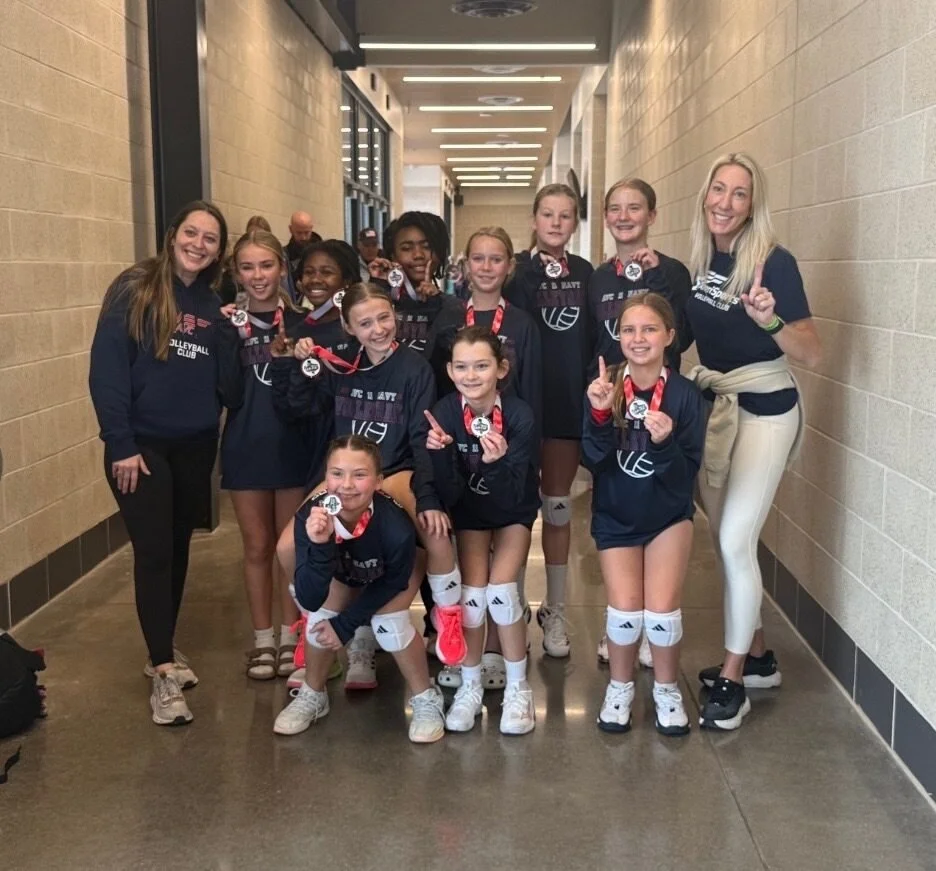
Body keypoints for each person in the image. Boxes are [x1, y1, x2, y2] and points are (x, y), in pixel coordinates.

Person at [684, 152, 822, 730]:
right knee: (725, 539)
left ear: (753, 204)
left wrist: (769, 320)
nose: (726, 202)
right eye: (719, 189)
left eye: (740, 194)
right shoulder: (704, 258)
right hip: (720, 406)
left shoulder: (772, 262)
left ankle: (735, 681)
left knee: (738, 538)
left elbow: (812, 352)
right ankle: (760, 657)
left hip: (765, 409)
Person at [273, 283, 466, 678]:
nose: (378, 329)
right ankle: (311, 618)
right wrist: (299, 366)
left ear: (395, 315)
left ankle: (448, 616)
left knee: (436, 529)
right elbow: (301, 408)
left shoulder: (414, 368)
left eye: (384, 317)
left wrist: (426, 497)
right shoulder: (339, 362)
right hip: (346, 476)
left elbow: (419, 436)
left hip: (394, 471)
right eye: (365, 323)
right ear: (348, 327)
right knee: (286, 546)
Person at [89, 200, 232, 727]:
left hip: (194, 446)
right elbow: (106, 371)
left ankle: (162, 648)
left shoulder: (214, 304)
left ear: (220, 250)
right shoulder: (136, 288)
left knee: (176, 549)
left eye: (210, 238)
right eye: (191, 233)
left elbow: (223, 382)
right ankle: (164, 670)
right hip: (140, 448)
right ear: (173, 236)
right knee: (152, 553)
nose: (199, 243)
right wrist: (120, 442)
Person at [583, 293, 704, 735]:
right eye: (629, 329)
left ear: (670, 337)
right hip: (616, 514)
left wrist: (665, 443)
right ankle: (620, 688)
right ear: (618, 336)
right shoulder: (605, 386)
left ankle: (667, 690)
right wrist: (598, 414)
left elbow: (686, 473)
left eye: (649, 329)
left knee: (661, 613)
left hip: (667, 514)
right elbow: (592, 459)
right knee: (625, 612)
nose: (638, 338)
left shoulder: (685, 396)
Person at [273, 436, 446, 743]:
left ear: (378, 482)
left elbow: (393, 581)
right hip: (344, 567)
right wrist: (320, 545)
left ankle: (425, 698)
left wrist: (347, 624)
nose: (347, 485)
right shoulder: (310, 517)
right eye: (337, 473)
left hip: (391, 574)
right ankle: (314, 694)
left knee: (389, 625)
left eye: (360, 475)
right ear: (325, 477)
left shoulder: (395, 526)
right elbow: (311, 598)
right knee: (319, 618)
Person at [588, 178, 692, 669]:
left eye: (635, 207)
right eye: (615, 208)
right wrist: (598, 403)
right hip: (615, 396)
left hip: (658, 401)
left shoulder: (671, 270)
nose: (624, 215)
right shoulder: (598, 277)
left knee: (663, 492)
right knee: (618, 488)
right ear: (606, 217)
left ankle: (655, 627)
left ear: (652, 214)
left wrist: (663, 281)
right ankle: (627, 626)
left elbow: (684, 334)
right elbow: (591, 341)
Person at [432, 226, 542, 691]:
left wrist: (518, 453)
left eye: (496, 258)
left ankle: (501, 647)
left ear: (509, 266)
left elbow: (532, 388)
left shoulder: (521, 322)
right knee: (473, 579)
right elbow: (442, 393)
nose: (486, 266)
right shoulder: (446, 318)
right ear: (465, 265)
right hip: (463, 452)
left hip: (508, 441)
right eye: (477, 258)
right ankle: (465, 653)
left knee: (503, 580)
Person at [425, 327, 540, 735]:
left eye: (481, 365)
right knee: (472, 598)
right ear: (450, 371)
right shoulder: (444, 413)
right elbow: (452, 492)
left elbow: (515, 492)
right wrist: (441, 456)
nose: (471, 375)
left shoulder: (520, 415)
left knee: (503, 593)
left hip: (513, 513)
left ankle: (518, 689)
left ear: (501, 369)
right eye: (461, 366)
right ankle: (470, 686)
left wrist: (496, 461)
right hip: (471, 514)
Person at [504, 183, 594, 658]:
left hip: (565, 405)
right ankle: (515, 601)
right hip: (520, 406)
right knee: (518, 509)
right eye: (548, 214)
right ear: (534, 219)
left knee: (557, 507)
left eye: (566, 215)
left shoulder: (586, 274)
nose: (556, 223)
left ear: (575, 222)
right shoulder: (515, 273)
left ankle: (555, 607)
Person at [218, 230, 311, 682]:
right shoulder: (227, 323)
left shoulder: (303, 320)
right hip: (245, 445)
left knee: (286, 549)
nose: (258, 276)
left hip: (291, 445)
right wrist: (229, 336)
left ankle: (293, 635)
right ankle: (261, 639)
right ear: (236, 273)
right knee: (255, 546)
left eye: (266, 265)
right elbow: (222, 388)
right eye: (248, 267)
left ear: (282, 268)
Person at [269, 238, 362, 686]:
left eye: (328, 272)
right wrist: (291, 363)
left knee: (360, 549)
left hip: (359, 460)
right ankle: (316, 630)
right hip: (316, 456)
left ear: (346, 279)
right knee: (305, 545)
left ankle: (354, 636)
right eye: (309, 272)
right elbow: (294, 408)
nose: (317, 280)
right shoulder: (295, 331)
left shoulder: (355, 332)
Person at [284, 211, 322, 300]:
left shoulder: (324, 254)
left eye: (306, 232)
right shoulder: (285, 256)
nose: (303, 237)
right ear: (291, 229)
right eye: (299, 233)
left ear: (311, 229)